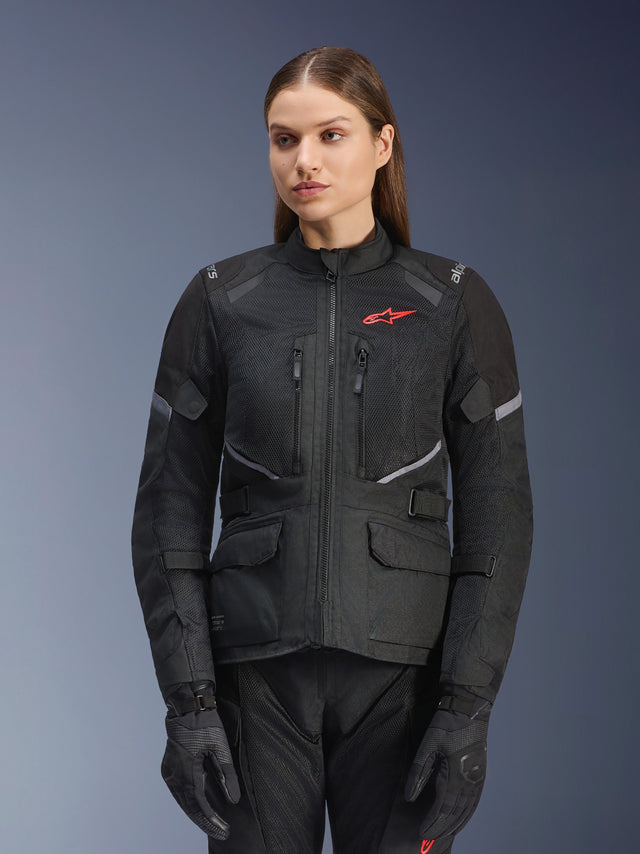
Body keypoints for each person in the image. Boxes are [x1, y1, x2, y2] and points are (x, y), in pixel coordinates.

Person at [132, 46, 533, 854]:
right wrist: (191, 705)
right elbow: (169, 512)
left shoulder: (451, 302)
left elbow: (499, 520)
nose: (304, 160)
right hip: (254, 687)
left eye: (331, 135)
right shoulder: (220, 301)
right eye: (284, 139)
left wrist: (465, 707)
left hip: (405, 686)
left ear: (382, 144)